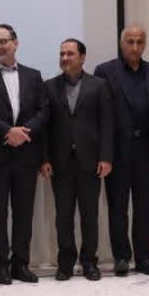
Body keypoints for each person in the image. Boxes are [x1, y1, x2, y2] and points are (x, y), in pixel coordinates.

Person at [0, 23, 49, 284]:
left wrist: (24, 133)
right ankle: (1, 265)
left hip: (27, 155)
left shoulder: (34, 76)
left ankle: (20, 264)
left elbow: (44, 111)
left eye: (2, 42)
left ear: (15, 43)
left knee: (24, 212)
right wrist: (8, 132)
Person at [94, 25, 149, 277]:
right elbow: (101, 115)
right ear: (121, 43)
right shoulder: (105, 71)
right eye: (130, 41)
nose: (134, 47)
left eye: (139, 42)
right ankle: (122, 257)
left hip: (146, 149)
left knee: (144, 207)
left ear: (144, 44)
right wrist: (103, 153)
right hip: (117, 151)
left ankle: (144, 258)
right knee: (118, 207)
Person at [41, 39, 113, 281]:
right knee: (63, 216)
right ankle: (65, 264)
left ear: (82, 57)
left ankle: (89, 262)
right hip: (60, 162)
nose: (64, 58)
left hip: (90, 161)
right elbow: (45, 127)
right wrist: (44, 158)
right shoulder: (49, 86)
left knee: (89, 215)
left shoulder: (99, 86)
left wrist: (106, 157)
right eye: (61, 54)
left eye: (69, 54)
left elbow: (107, 124)